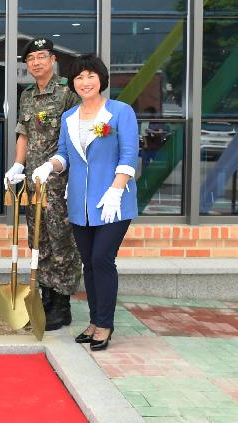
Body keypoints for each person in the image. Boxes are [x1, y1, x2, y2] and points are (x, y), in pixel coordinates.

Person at [30, 54, 139, 351]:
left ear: (101, 79)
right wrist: (48, 165)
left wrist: (117, 189)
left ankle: (105, 324)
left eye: (91, 75)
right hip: (79, 204)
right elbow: (64, 155)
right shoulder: (69, 117)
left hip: (113, 202)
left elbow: (129, 155)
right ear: (73, 84)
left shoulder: (120, 112)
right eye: (79, 77)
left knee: (102, 260)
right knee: (88, 265)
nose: (85, 82)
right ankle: (94, 321)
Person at [4, 37, 81, 331]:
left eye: (41, 56)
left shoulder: (67, 93)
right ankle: (47, 298)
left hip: (59, 181)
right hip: (33, 182)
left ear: (53, 60)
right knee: (39, 240)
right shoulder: (26, 96)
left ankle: (63, 304)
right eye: (31, 58)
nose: (36, 62)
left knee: (62, 241)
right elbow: (23, 133)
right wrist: (18, 164)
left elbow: (78, 134)